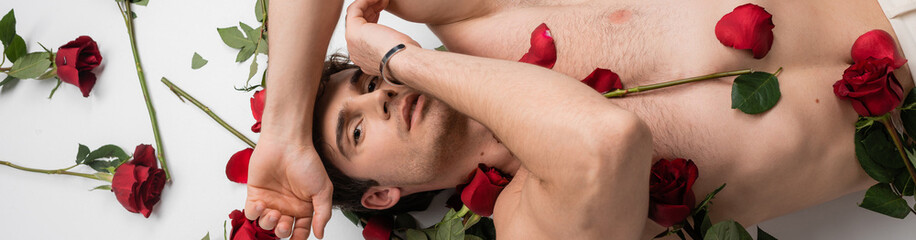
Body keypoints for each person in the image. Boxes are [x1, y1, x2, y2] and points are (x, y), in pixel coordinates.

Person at [245, 0, 916, 239]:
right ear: (386, 195)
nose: (380, 95)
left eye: (365, 82)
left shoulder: (480, 16)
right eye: (357, 131)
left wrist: (283, 130)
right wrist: (401, 61)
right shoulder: (527, 225)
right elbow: (605, 141)